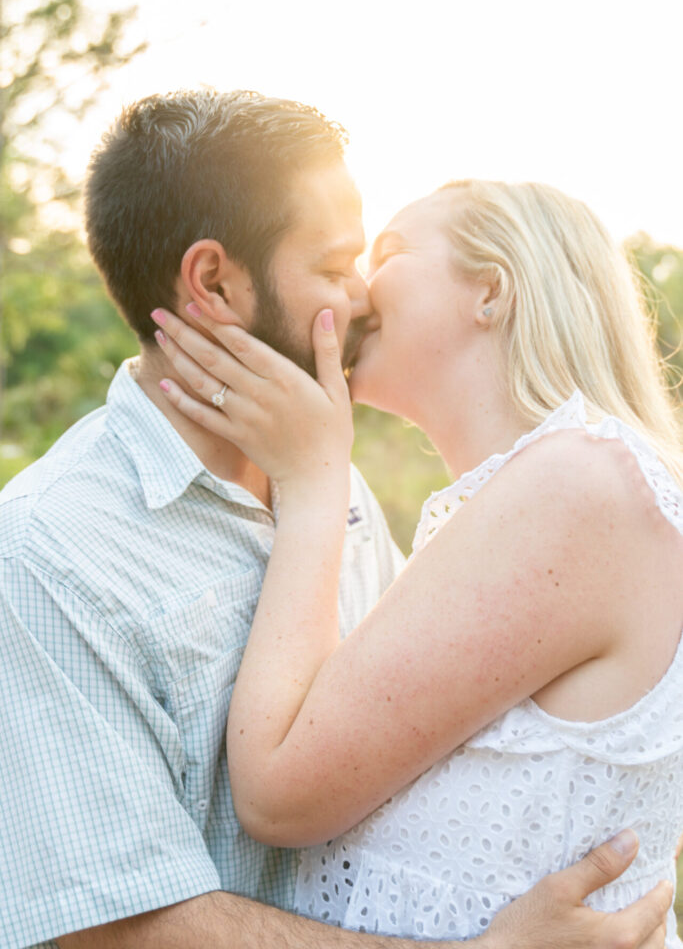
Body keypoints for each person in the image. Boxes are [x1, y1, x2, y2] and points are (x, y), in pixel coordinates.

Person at [0, 89, 671, 949]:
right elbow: (115, 929)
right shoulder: (49, 553)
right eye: (334, 265)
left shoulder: (339, 489)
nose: (361, 294)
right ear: (213, 281)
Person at [152, 178, 683, 944]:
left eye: (390, 252)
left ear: (491, 290)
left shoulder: (576, 485)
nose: (358, 288)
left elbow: (278, 795)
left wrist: (311, 481)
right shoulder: (557, 491)